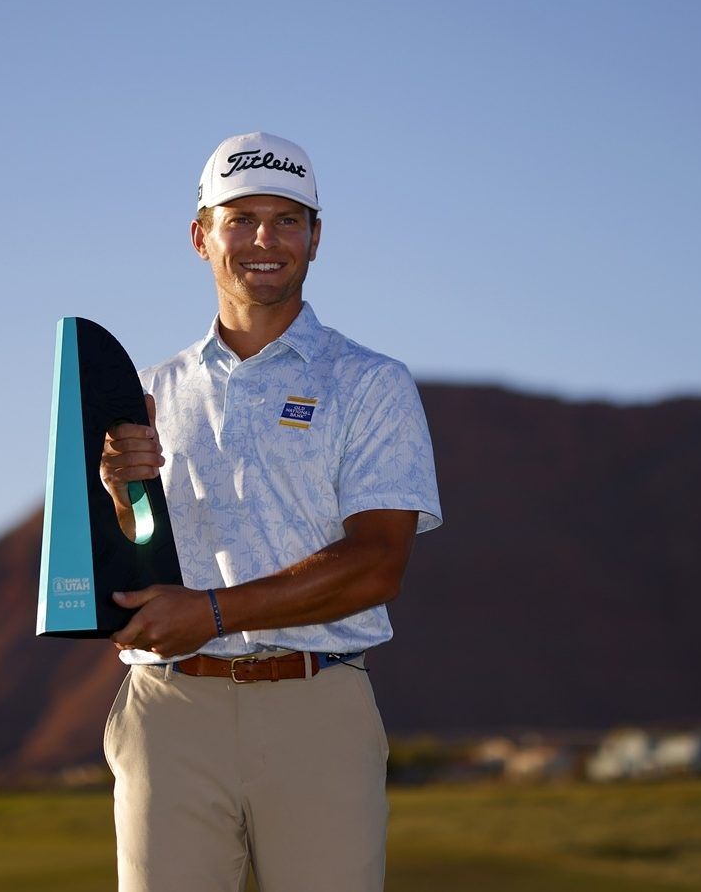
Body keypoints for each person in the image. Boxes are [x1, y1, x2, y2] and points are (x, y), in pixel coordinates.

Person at [98, 131, 442, 892]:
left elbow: (378, 563)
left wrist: (215, 612)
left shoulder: (371, 383)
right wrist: (123, 503)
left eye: (287, 220)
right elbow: (136, 569)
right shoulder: (146, 391)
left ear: (316, 238)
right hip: (169, 709)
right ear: (201, 236)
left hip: (316, 707)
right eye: (241, 218)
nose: (265, 239)